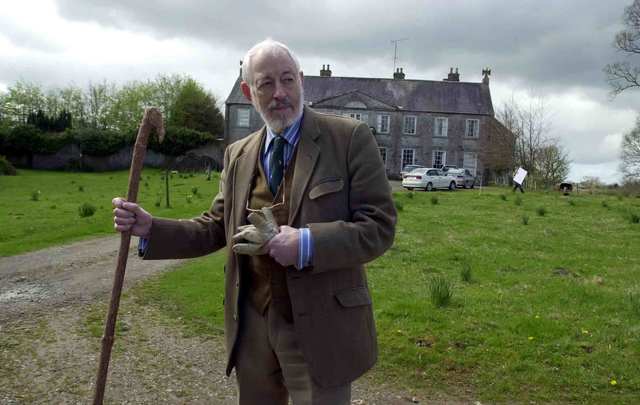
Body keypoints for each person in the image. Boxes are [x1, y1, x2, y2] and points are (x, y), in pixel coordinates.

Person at [112, 39, 396, 405]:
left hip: (321, 324)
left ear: (301, 80)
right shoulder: (237, 154)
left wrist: (306, 244)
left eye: (288, 80)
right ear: (248, 92)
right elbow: (217, 226)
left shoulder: (349, 139)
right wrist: (151, 228)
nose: (280, 93)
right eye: (266, 84)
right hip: (253, 323)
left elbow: (379, 226)